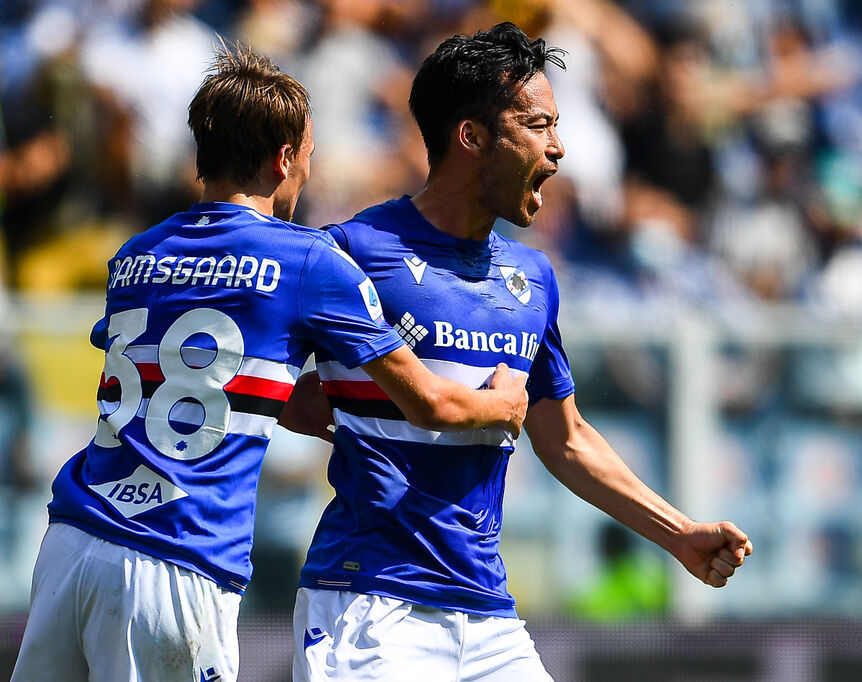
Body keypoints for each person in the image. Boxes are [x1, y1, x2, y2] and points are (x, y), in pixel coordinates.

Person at [11, 43, 527, 682]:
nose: (307, 172)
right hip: (177, 554)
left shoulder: (135, 255)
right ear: (284, 158)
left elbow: (207, 372)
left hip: (71, 542)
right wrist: (502, 405)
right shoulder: (308, 261)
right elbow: (430, 401)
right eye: (308, 156)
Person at [285, 22, 753, 682]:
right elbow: (256, 376)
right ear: (471, 137)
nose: (558, 149)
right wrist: (335, 410)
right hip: (368, 608)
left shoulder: (531, 279)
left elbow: (564, 438)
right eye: (538, 125)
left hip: (487, 618)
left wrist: (677, 533)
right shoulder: (351, 253)